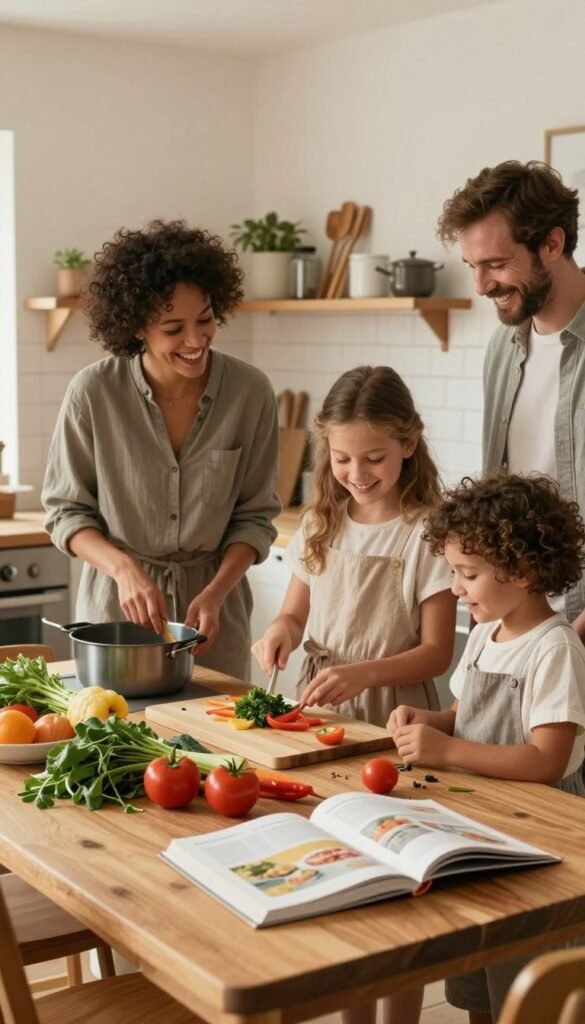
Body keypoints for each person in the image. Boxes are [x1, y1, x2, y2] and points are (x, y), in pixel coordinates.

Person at [252, 364, 456, 1024]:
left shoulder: (428, 531)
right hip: (320, 716)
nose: (356, 473)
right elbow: (293, 612)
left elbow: (436, 651)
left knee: (398, 890)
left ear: (408, 443)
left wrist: (365, 672)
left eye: (372, 457)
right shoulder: (323, 519)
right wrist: (279, 632)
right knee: (340, 876)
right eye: (341, 458)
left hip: (395, 721)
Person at [42, 219, 280, 680]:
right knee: (115, 740)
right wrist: (124, 569)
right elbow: (66, 512)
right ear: (137, 329)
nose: (196, 340)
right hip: (116, 613)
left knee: (218, 743)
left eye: (206, 319)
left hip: (214, 619)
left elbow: (254, 517)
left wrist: (216, 592)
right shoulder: (93, 392)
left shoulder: (250, 393)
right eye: (174, 328)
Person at [389, 472, 585, 1024]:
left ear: (522, 572)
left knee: (524, 982)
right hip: (482, 825)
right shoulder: (483, 634)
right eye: (454, 571)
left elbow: (545, 761)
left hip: (542, 836)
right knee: (478, 970)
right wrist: (431, 721)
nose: (455, 588)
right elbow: (465, 716)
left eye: (468, 574)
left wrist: (445, 752)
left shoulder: (554, 649)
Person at [437, 159, 585, 638]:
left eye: (497, 265)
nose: (481, 286)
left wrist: (574, 635)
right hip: (523, 621)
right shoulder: (504, 347)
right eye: (472, 267)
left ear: (553, 244)